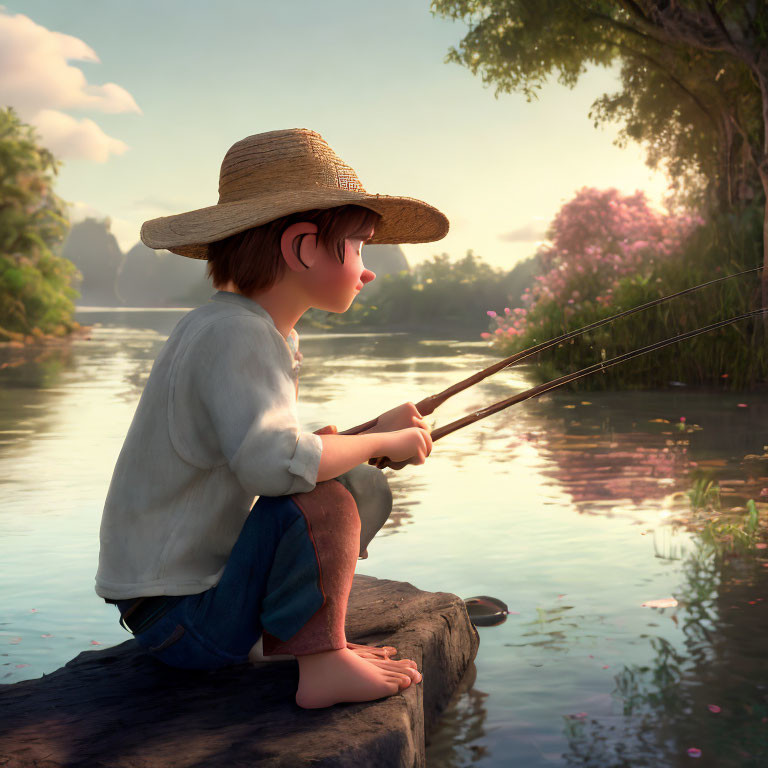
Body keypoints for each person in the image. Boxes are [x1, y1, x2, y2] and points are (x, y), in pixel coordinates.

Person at [95, 128, 449, 709]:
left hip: (172, 612)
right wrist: (380, 443)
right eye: (359, 247)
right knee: (337, 494)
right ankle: (322, 663)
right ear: (304, 247)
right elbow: (276, 467)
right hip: (187, 620)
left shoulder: (228, 326)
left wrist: (373, 433)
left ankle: (302, 642)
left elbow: (269, 450)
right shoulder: (239, 335)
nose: (368, 271)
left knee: (344, 472)